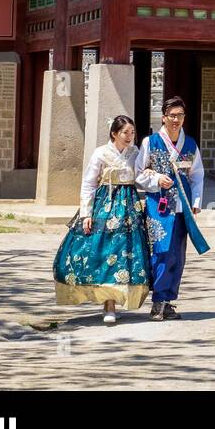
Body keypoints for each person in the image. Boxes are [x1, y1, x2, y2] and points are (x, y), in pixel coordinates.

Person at [53, 115, 151, 324]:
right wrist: (86, 214)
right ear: (114, 133)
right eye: (125, 132)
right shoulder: (101, 153)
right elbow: (88, 184)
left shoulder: (136, 154)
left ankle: (118, 299)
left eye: (132, 133)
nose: (129, 137)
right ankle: (107, 303)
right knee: (103, 251)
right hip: (105, 206)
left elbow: (143, 176)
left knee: (126, 253)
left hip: (129, 207)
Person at [135, 95, 205, 321]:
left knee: (178, 255)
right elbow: (138, 173)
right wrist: (155, 180)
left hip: (181, 207)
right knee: (161, 252)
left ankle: (168, 302)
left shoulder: (191, 144)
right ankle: (158, 301)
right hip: (158, 206)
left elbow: (197, 176)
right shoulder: (150, 142)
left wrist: (196, 203)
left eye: (180, 115)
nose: (176, 120)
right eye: (172, 116)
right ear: (163, 117)